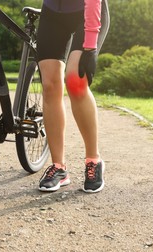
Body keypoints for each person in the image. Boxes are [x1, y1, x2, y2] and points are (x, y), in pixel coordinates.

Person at [36, 0, 110, 193]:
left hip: (88, 10)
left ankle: (94, 160)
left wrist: (91, 45)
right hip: (52, 11)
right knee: (49, 85)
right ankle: (58, 167)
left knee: (76, 81)